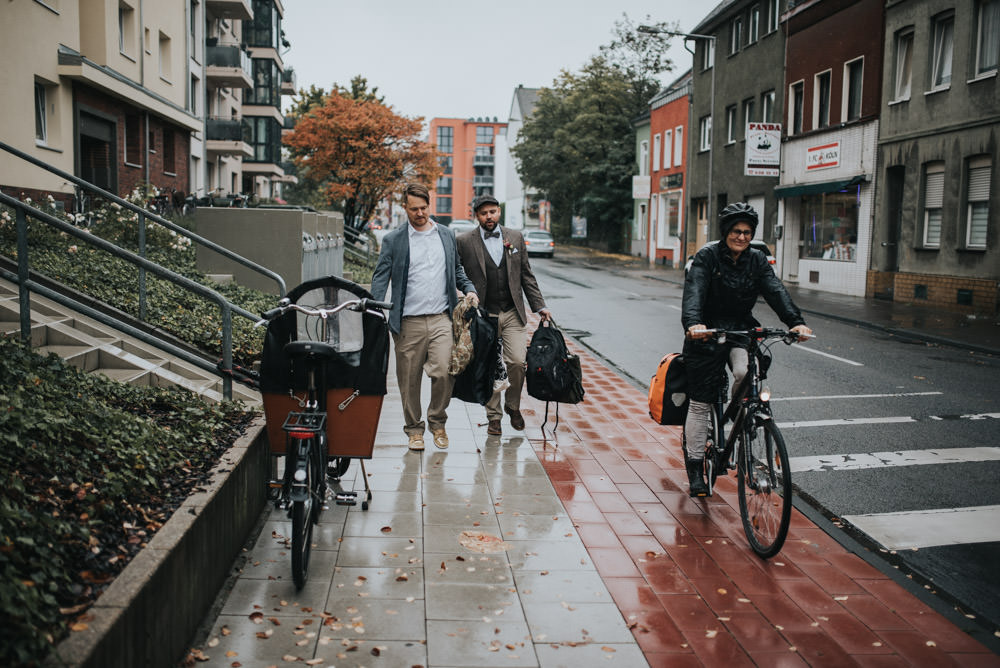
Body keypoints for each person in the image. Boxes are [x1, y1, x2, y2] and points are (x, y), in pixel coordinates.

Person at [681, 202, 812, 496]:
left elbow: (775, 290)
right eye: (736, 231)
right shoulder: (707, 257)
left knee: (744, 371)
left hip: (740, 330)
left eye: (747, 233)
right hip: (707, 333)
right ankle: (695, 467)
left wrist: (796, 322)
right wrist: (694, 324)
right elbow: (694, 293)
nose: (741, 237)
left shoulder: (756, 260)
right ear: (726, 232)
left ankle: (739, 412)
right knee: (701, 402)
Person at [371, 183, 478, 451]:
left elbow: (457, 270)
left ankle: (437, 421)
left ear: (429, 205)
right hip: (408, 321)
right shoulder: (394, 240)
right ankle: (414, 430)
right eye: (414, 208)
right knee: (409, 380)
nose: (420, 213)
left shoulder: (445, 234)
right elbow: (381, 276)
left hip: (442, 317)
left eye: (424, 208)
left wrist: (469, 289)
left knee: (444, 371)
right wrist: (374, 308)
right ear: (405, 207)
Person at [456, 194, 551, 436]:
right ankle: (493, 417)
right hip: (484, 315)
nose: (489, 216)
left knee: (517, 362)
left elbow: (527, 276)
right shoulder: (464, 241)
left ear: (499, 212)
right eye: (484, 213)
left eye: (493, 212)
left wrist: (540, 306)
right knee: (488, 365)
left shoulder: (515, 237)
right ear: (476, 216)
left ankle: (512, 405)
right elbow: (457, 274)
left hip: (512, 311)